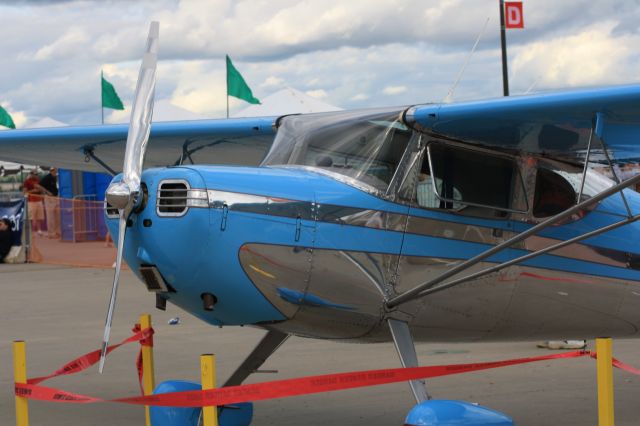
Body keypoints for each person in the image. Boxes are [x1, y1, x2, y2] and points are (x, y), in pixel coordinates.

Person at [23, 170, 47, 235]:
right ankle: (31, 231)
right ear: (31, 174)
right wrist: (34, 190)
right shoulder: (27, 181)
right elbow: (25, 192)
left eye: (37, 174)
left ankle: (39, 230)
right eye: (35, 174)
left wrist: (42, 192)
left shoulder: (38, 181)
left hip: (39, 201)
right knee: (31, 217)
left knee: (39, 217)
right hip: (31, 201)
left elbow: (41, 190)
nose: (36, 175)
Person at [40, 167, 60, 238]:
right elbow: (39, 185)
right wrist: (46, 192)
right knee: (50, 216)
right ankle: (51, 233)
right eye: (54, 170)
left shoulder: (55, 177)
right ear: (51, 171)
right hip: (49, 198)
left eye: (56, 170)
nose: (56, 171)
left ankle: (57, 232)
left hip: (56, 197)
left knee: (58, 215)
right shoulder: (47, 177)